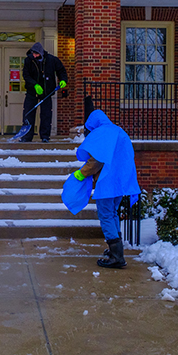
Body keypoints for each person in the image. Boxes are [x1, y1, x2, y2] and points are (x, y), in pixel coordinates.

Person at [69, 109, 141, 268]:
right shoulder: (118, 131)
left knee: (106, 215)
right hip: (121, 182)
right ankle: (116, 249)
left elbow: (97, 160)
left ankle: (117, 256)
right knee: (113, 213)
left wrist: (82, 173)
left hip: (107, 182)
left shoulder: (102, 133)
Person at [20, 42, 68, 142]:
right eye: (33, 53)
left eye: (36, 54)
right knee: (28, 114)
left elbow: (61, 70)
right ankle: (26, 137)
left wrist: (63, 80)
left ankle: (45, 136)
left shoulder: (51, 60)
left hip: (47, 92)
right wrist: (35, 85)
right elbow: (26, 75)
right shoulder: (28, 61)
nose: (34, 55)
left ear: (41, 53)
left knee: (46, 115)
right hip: (32, 92)